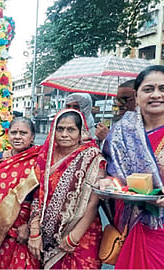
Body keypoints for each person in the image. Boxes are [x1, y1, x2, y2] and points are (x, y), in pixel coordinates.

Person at [101, 65, 164, 268]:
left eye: (162, 89)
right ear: (137, 97)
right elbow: (114, 175)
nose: (156, 95)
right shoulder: (121, 133)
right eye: (148, 89)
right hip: (132, 224)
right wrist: (107, 182)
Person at [28, 109, 106, 269]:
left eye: (71, 129)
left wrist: (74, 237)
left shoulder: (92, 157)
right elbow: (37, 195)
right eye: (60, 129)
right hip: (46, 236)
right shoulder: (45, 156)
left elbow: (93, 202)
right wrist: (34, 231)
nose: (64, 134)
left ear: (80, 132)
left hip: (81, 233)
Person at [0, 117, 41, 269]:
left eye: (23, 133)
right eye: (14, 132)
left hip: (24, 226)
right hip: (1, 224)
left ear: (32, 137)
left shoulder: (38, 159)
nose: (17, 136)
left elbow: (43, 197)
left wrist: (29, 225)